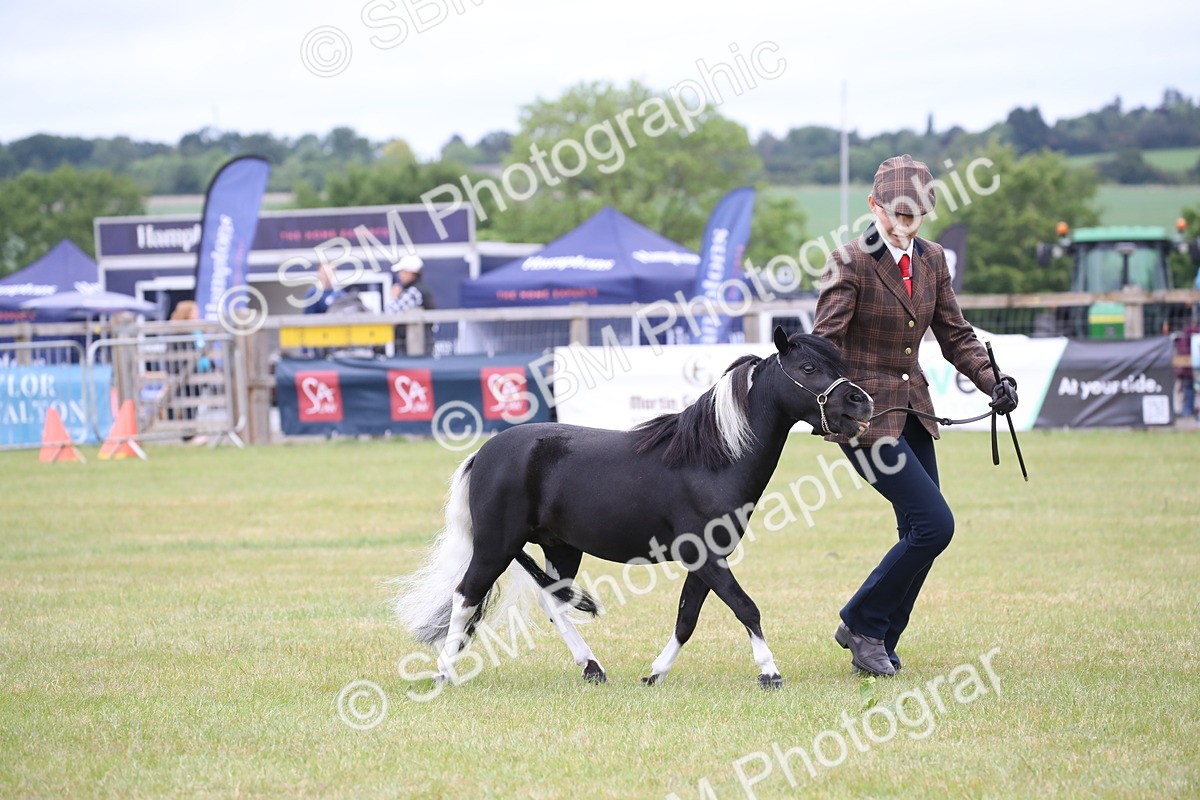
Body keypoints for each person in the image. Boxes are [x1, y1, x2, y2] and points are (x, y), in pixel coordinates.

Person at [812, 154, 1018, 677]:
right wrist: (832, 411)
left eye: (916, 214)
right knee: (935, 525)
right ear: (874, 206)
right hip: (864, 421)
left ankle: (877, 637)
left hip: (915, 414)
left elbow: (955, 335)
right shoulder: (849, 261)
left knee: (917, 529)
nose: (907, 223)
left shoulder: (933, 260)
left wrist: (994, 381)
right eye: (898, 213)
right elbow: (825, 346)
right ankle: (861, 620)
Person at [386, 253, 436, 355]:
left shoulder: (414, 291)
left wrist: (394, 297)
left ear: (410, 273)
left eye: (402, 272)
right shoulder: (421, 289)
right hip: (420, 343)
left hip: (414, 346)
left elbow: (391, 312)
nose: (400, 275)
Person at [1174, 314, 1200, 420]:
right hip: (1190, 371)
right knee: (1190, 392)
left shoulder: (1184, 335)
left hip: (1187, 372)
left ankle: (1187, 414)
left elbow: (1181, 353)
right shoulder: (1188, 334)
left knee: (1188, 393)